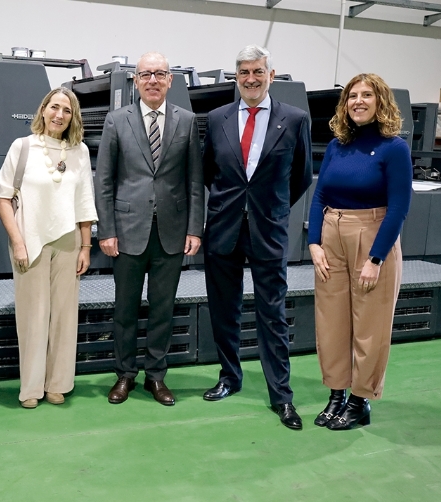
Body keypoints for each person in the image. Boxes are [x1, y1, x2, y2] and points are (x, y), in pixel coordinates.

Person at [202, 45, 312, 430]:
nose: (251, 78)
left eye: (258, 71)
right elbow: (208, 172)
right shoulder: (217, 119)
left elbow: (301, 176)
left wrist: (270, 206)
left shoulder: (295, 119)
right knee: (224, 309)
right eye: (244, 72)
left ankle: (281, 396)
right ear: (236, 76)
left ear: (271, 74)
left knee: (272, 314)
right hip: (223, 228)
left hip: (268, 228)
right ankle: (230, 377)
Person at [96, 52, 204, 406]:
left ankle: (156, 377)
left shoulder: (186, 121)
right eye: (146, 74)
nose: (153, 80)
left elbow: (194, 181)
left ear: (171, 79)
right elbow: (105, 181)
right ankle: (125, 374)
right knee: (124, 309)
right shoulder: (117, 121)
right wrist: (107, 230)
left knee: (163, 309)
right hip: (127, 231)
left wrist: (195, 229)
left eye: (160, 74)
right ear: (136, 81)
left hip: (171, 233)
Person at [307, 73, 412, 430]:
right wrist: (314, 243)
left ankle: (360, 400)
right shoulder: (338, 145)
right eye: (352, 96)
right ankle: (336, 394)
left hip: (372, 234)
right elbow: (319, 194)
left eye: (367, 95)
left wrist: (377, 258)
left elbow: (399, 206)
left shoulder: (394, 148)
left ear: (381, 101)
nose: (358, 101)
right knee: (331, 322)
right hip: (332, 233)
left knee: (370, 326)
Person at [0, 88, 97, 409]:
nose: (59, 115)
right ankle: (30, 388)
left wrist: (85, 246)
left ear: (73, 117)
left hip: (68, 242)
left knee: (65, 317)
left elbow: (84, 203)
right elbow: (2, 198)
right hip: (30, 242)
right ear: (42, 110)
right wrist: (17, 241)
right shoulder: (22, 147)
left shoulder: (79, 152)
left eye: (67, 111)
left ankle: (58, 383)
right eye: (54, 107)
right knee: (33, 317)